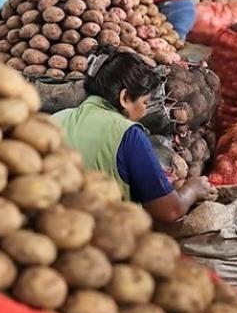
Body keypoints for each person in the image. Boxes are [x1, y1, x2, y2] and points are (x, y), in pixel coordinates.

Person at [55, 47, 217, 222]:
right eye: (145, 102)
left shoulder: (56, 119)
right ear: (125, 98)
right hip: (104, 234)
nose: (145, 111)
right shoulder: (128, 134)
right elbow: (169, 210)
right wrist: (192, 189)